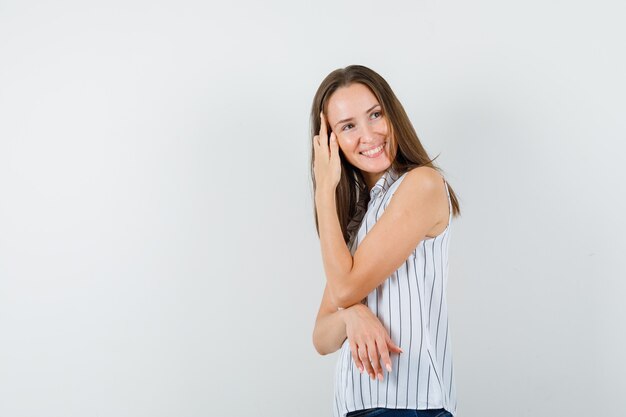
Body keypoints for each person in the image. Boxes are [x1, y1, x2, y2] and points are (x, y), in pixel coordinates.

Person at [310, 65, 461, 417]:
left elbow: (344, 290)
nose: (368, 134)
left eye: (375, 114)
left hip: (413, 408)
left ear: (392, 115)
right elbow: (321, 336)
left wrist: (322, 193)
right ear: (330, 141)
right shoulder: (360, 215)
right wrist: (352, 317)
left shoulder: (421, 184)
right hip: (355, 407)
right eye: (348, 126)